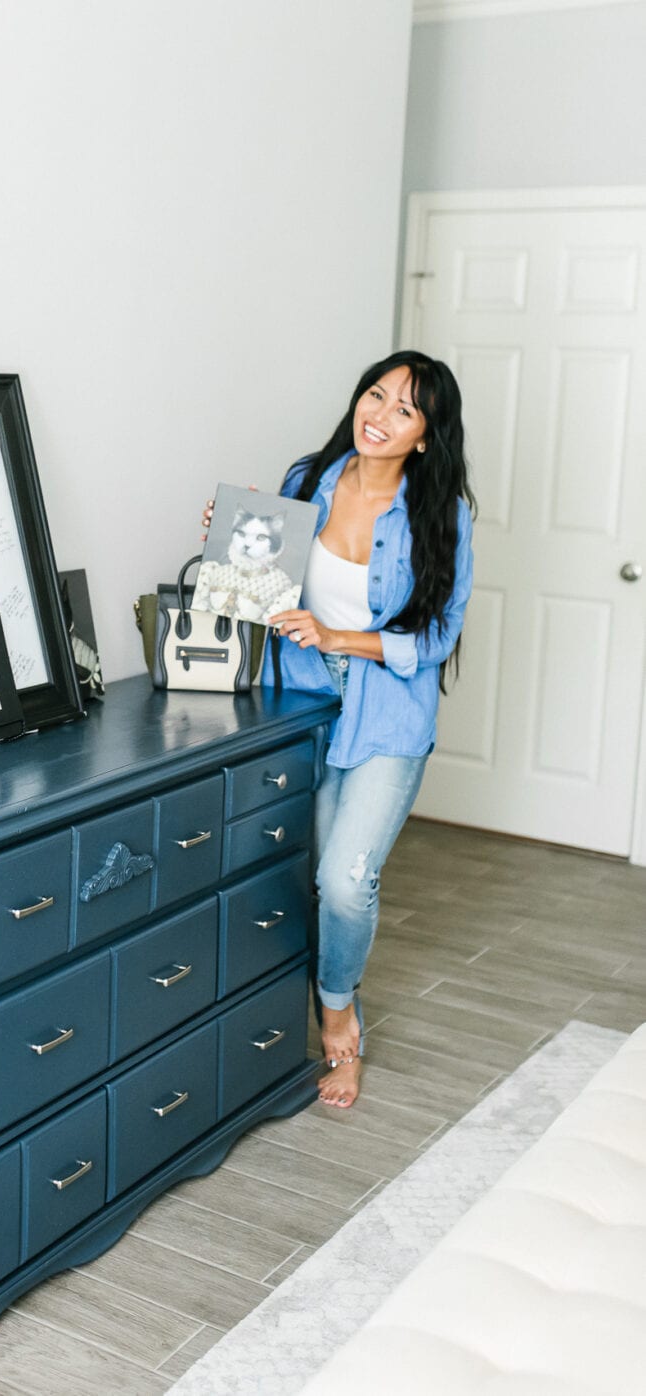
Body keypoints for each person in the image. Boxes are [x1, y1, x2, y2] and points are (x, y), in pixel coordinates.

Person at [204, 352, 474, 1109]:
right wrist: (232, 540)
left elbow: (438, 636)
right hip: (302, 701)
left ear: (425, 436)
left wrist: (339, 637)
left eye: (403, 410)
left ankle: (338, 1015)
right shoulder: (307, 478)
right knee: (302, 872)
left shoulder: (439, 514)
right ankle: (274, 1011)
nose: (379, 416)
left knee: (346, 882)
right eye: (375, 394)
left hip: (389, 708)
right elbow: (255, 597)